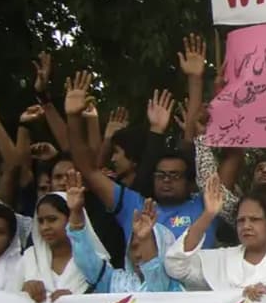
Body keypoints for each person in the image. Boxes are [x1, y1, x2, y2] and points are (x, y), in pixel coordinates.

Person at [64, 71, 218, 249]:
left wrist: (196, 81)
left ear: (189, 181)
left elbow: (224, 157)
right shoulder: (133, 205)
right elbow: (88, 170)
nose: (166, 180)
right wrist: (73, 117)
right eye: (160, 174)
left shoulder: (208, 204)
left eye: (174, 175)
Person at [165, 175, 266, 301]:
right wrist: (208, 215)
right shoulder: (223, 259)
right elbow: (176, 266)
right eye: (241, 220)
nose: (246, 226)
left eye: (255, 219)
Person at [65, 171, 182, 293]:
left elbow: (157, 283)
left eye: (146, 247)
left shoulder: (173, 288)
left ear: (164, 249)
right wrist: (76, 212)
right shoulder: (115, 282)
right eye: (134, 247)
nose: (138, 255)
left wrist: (145, 239)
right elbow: (86, 262)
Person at [21, 192, 109, 303]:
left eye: (52, 219)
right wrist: (25, 291)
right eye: (41, 221)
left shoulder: (96, 263)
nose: (45, 227)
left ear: (71, 219)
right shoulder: (30, 257)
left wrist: (73, 301)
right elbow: (8, 302)